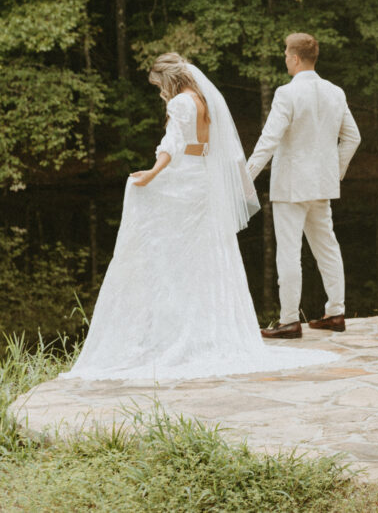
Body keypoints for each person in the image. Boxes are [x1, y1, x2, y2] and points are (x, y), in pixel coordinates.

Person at [63, 54, 335, 380]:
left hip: (183, 178)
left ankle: (174, 331)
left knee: (161, 236)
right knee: (205, 256)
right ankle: (206, 329)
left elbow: (172, 144)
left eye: (159, 85)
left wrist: (151, 173)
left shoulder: (180, 102)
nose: (160, 91)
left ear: (170, 79)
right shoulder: (204, 99)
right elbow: (214, 147)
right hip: (203, 181)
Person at [247, 33, 361, 339]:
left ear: (295, 58)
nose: (284, 58)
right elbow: (353, 137)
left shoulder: (287, 94)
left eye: (286, 53)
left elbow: (269, 140)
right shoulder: (335, 92)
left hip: (291, 186)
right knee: (327, 247)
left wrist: (245, 178)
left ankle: (289, 321)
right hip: (321, 186)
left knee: (289, 253)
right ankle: (335, 313)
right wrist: (333, 172)